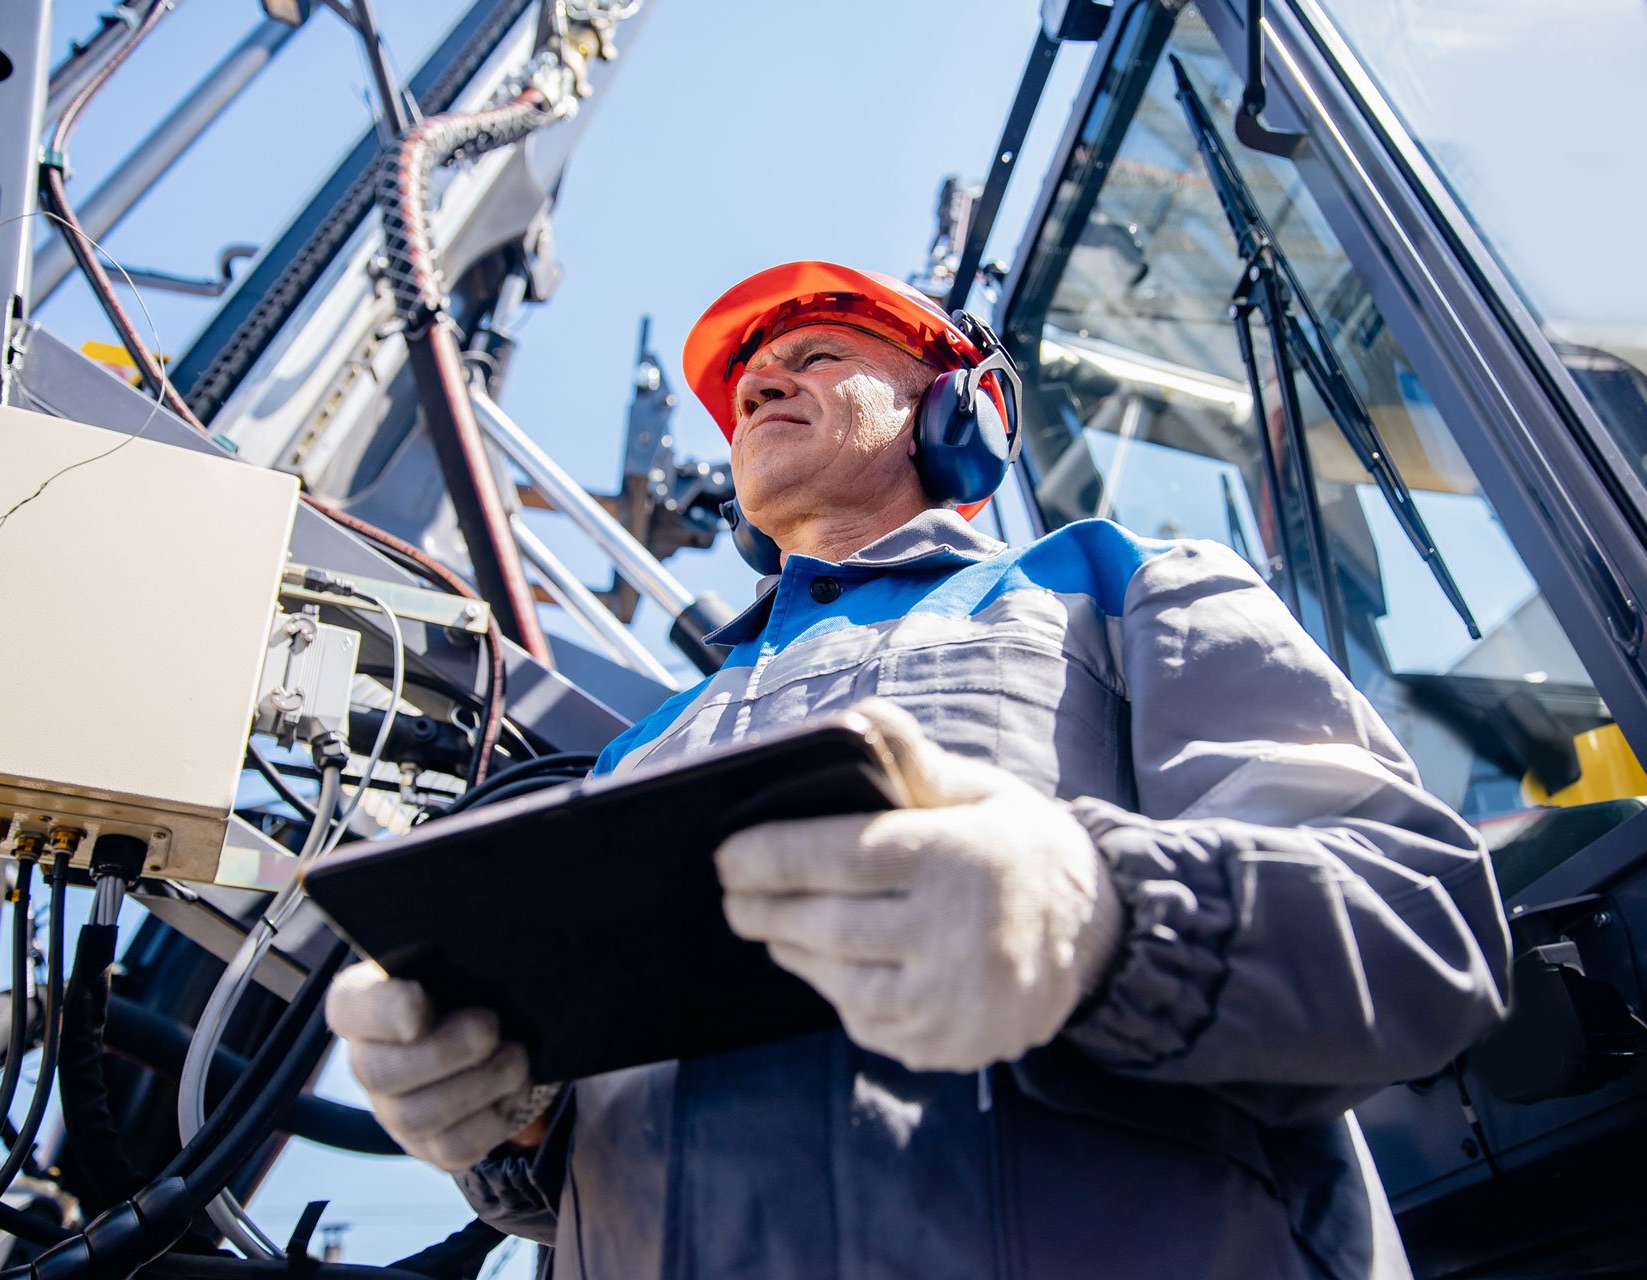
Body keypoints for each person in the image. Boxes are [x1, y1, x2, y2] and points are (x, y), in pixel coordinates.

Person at [325, 262, 1512, 1278]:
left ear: (964, 408)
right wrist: (506, 1116)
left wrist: (1100, 917)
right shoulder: (635, 755)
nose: (762, 382)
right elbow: (586, 1172)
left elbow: (1419, 920)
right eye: (750, 382)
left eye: (817, 351)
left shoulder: (1116, 587)